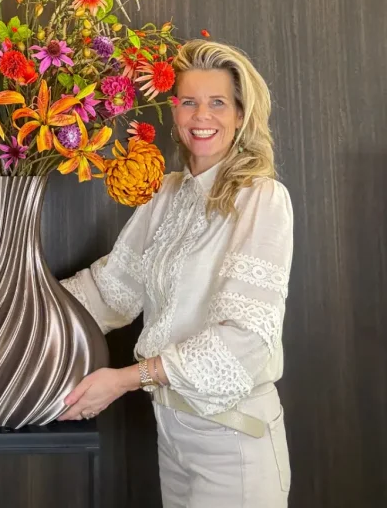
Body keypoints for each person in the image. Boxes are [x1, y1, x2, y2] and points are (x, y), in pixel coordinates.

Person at [59, 39, 293, 508]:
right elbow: (112, 291)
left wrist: (124, 379)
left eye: (217, 103)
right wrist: (23, 307)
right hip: (173, 436)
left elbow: (243, 339)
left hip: (235, 442)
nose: (201, 116)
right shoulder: (165, 193)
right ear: (174, 109)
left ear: (241, 114)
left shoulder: (262, 198)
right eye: (189, 102)